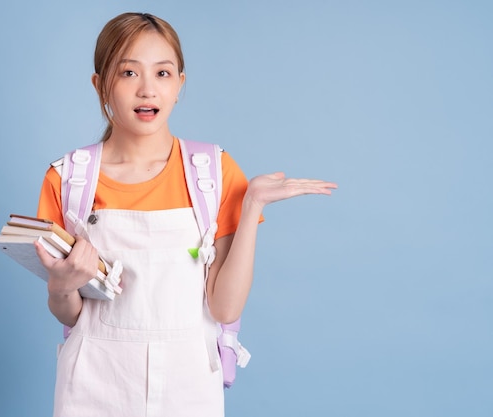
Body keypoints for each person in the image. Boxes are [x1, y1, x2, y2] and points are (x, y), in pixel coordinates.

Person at [34, 12, 337, 417]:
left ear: (180, 84)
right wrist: (60, 285)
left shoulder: (214, 172)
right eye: (127, 72)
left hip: (188, 385)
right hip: (93, 384)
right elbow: (69, 312)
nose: (147, 90)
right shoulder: (67, 179)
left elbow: (225, 310)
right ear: (99, 85)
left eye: (162, 73)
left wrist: (251, 208)